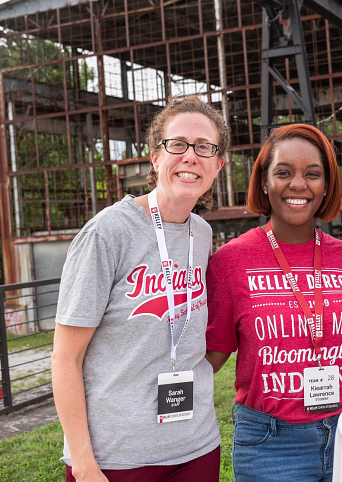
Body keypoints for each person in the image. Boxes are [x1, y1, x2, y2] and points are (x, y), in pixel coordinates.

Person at [51, 96, 229, 482]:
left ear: (218, 164)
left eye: (204, 147)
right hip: (117, 455)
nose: (190, 156)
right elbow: (65, 358)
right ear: (154, 157)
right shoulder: (108, 232)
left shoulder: (201, 233)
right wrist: (82, 462)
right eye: (177, 144)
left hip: (196, 446)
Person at [206, 124, 342, 482]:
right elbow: (211, 356)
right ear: (264, 181)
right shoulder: (231, 261)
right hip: (272, 445)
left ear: (326, 186)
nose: (298, 184)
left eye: (313, 174)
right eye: (283, 172)